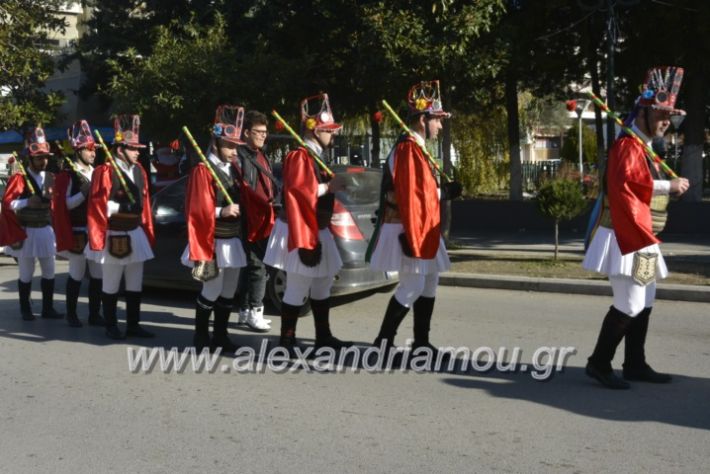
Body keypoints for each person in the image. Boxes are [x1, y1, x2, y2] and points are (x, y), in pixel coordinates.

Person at [583, 66, 690, 389]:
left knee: (646, 298)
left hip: (641, 237)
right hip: (624, 239)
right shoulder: (627, 145)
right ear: (643, 112)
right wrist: (667, 188)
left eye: (669, 115)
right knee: (629, 302)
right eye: (660, 114)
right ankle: (599, 363)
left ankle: (635, 363)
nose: (666, 121)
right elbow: (625, 184)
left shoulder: (642, 146)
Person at [368, 80, 461, 355]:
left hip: (421, 226)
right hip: (407, 227)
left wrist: (443, 192)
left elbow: (423, 191)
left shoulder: (417, 148)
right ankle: (382, 344)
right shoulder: (408, 149)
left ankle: (421, 342)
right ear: (423, 119)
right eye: (437, 120)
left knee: (430, 279)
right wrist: (442, 196)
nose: (440, 126)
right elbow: (411, 197)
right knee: (413, 284)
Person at [264, 93, 351, 353]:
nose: (332, 136)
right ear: (315, 131)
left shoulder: (314, 156)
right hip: (300, 228)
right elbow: (299, 194)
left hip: (317, 226)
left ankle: (323, 336)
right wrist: (329, 186)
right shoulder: (299, 157)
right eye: (328, 131)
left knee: (323, 281)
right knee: (298, 285)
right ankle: (286, 341)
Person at [182, 105, 247, 352]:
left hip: (232, 239)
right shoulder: (203, 170)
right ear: (217, 143)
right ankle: (200, 336)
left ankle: (221, 335)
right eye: (229, 145)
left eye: (235, 146)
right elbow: (196, 209)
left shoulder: (233, 170)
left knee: (229, 291)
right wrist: (222, 211)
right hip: (213, 239)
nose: (234, 150)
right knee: (212, 288)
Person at [86, 115, 155, 340]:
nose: (137, 152)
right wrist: (122, 205)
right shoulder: (104, 171)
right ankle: (111, 325)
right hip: (114, 233)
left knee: (135, 283)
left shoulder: (139, 171)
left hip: (135, 232)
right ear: (119, 149)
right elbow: (99, 206)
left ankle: (133, 325)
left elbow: (144, 204)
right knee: (111, 283)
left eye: (137, 148)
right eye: (133, 148)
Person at [0, 126, 64, 320]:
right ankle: (25, 309)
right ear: (30, 159)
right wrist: (27, 201)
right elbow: (8, 203)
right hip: (27, 231)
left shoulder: (51, 177)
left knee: (49, 271)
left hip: (45, 229)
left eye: (45, 157)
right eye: (39, 157)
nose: (43, 161)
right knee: (26, 272)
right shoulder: (20, 178)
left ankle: (47, 308)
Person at [53, 120, 105, 328]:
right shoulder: (69, 175)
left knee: (97, 274)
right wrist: (85, 192)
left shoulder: (98, 172)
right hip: (77, 231)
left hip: (96, 231)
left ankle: (94, 314)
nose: (93, 153)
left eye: (94, 150)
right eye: (90, 149)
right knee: (76, 273)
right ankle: (72, 314)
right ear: (80, 150)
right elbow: (65, 205)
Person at [235, 110, 278, 333]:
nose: (262, 136)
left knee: (250, 266)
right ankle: (255, 311)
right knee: (257, 266)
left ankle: (244, 311)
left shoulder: (260, 154)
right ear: (246, 132)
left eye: (264, 132)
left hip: (263, 216)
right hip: (249, 218)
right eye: (258, 131)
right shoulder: (240, 156)